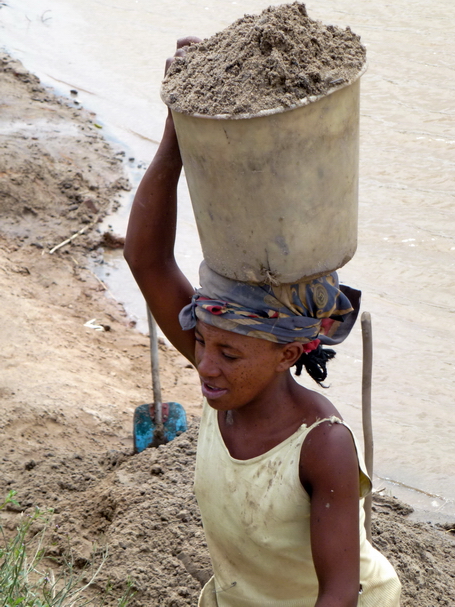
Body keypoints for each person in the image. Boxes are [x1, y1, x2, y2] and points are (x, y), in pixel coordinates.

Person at [124, 38, 401, 607]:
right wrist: (178, 128)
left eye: (227, 354)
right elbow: (145, 259)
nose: (204, 365)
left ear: (289, 353)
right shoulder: (226, 379)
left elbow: (339, 594)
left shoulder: (322, 445)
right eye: (201, 341)